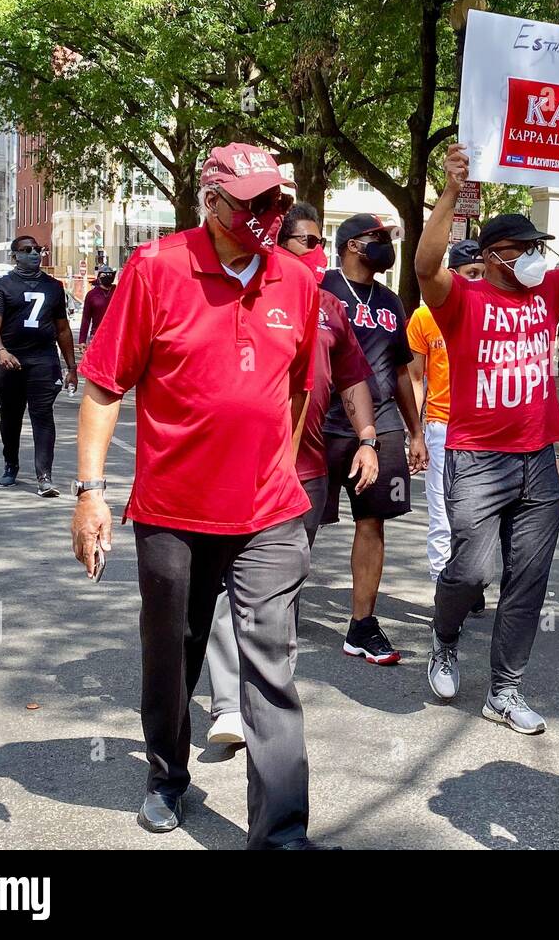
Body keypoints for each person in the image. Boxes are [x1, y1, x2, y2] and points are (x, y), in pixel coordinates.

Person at [71, 142, 321, 849]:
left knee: (271, 661)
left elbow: (300, 384)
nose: (270, 216)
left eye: (276, 200)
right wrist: (91, 491)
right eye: (253, 204)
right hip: (173, 513)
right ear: (211, 203)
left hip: (270, 513)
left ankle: (281, 832)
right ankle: (165, 774)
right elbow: (103, 384)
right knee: (173, 652)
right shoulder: (155, 270)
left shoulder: (297, 281)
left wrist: (280, 458)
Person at [419, 142, 559, 735]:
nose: (534, 259)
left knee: (528, 578)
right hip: (475, 459)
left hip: (537, 462)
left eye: (536, 249)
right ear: (494, 257)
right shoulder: (461, 299)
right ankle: (444, 640)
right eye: (522, 250)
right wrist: (450, 191)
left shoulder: (548, 293)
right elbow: (424, 266)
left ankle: (505, 688)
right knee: (469, 572)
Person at [204, 202, 380, 747]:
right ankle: (229, 704)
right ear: (277, 244)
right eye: (307, 241)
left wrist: (369, 440)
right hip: (231, 467)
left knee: (282, 585)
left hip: (303, 473)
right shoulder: (236, 296)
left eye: (321, 239)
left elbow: (352, 378)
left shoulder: (330, 306)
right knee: (222, 584)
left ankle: (270, 687)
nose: (318, 250)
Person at [316, 212, 426, 665]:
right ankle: (275, 609)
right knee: (298, 524)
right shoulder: (320, 288)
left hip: (380, 427)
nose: (386, 245)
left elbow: (401, 370)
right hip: (321, 426)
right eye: (378, 238)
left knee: (372, 521)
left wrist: (415, 429)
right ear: (350, 245)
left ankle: (362, 625)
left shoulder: (392, 302)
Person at [407, 239, 485, 586]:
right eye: (471, 273)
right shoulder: (424, 317)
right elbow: (415, 377)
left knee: (477, 516)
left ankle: (469, 578)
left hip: (484, 430)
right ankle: (444, 588)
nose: (478, 279)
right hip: (442, 427)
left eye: (483, 273)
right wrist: (417, 433)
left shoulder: (491, 310)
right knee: (441, 514)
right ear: (452, 274)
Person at [0, 236, 77, 496]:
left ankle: (44, 476)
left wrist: (72, 366)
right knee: (11, 416)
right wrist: (0, 351)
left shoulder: (54, 287)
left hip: (43, 361)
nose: (35, 254)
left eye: (39, 250)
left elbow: (62, 329)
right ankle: (10, 463)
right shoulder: (2, 286)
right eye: (28, 250)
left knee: (43, 415)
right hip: (10, 360)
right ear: (15, 255)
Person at [78, 265, 117, 349]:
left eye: (109, 275)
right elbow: (86, 318)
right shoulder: (92, 294)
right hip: (97, 336)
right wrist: (82, 340)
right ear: (99, 277)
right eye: (104, 275)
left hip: (117, 336)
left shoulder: (119, 292)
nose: (107, 277)